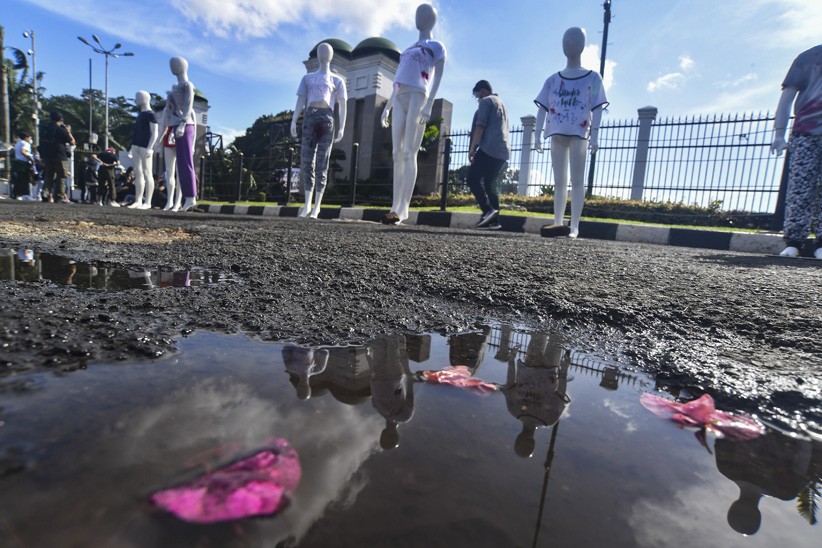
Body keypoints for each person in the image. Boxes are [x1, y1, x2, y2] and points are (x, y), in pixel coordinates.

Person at [534, 27, 608, 238]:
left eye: (574, 40)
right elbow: (542, 108)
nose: (570, 44)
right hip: (556, 133)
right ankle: (558, 222)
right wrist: (537, 134)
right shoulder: (552, 80)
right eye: (566, 40)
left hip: (579, 133)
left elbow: (597, 107)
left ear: (583, 45)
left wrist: (595, 135)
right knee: (559, 181)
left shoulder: (593, 78)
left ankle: (574, 225)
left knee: (577, 180)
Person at [379, 3, 446, 225]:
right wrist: (387, 107)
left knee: (409, 152)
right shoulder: (407, 50)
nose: (419, 18)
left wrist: (429, 104)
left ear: (432, 19)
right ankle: (394, 206)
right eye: (418, 14)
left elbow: (438, 76)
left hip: (418, 96)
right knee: (396, 153)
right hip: (400, 97)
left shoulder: (436, 46)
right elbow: (398, 80)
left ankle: (402, 209)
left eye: (424, 14)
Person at [770, 44, 822, 259]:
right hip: (805, 132)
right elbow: (787, 96)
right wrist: (779, 133)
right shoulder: (808, 57)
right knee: (799, 189)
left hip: (804, 131)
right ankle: (794, 241)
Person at [291, 42, 348, 219]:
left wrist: (342, 127)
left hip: (326, 119)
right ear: (317, 54)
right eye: (321, 50)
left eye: (326, 51)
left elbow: (343, 105)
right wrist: (294, 120)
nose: (324, 53)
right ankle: (307, 204)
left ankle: (317, 206)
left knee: (322, 162)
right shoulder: (307, 78)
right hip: (309, 117)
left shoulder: (337, 80)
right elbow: (301, 101)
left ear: (331, 55)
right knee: (307, 160)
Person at [499, 332, 571, 458]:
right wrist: (511, 360)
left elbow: (561, 393)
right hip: (536, 367)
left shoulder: (548, 419)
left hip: (544, 369)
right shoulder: (514, 410)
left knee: (550, 335)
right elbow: (510, 384)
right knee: (545, 335)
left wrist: (564, 370)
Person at [467, 80, 510, 230]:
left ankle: (488, 210)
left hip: (489, 148)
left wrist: (473, 147)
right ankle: (494, 221)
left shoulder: (486, 101)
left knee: (472, 178)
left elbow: (480, 126)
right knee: (490, 183)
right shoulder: (501, 103)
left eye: (478, 95)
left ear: (483, 91)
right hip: (502, 151)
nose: (478, 98)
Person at [157, 57, 198, 212]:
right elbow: (171, 111)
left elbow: (188, 105)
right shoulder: (175, 86)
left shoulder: (188, 85)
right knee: (180, 164)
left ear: (183, 66)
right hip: (175, 127)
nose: (172, 66)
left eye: (175, 64)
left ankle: (191, 197)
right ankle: (187, 198)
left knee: (186, 162)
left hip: (185, 126)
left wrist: (182, 124)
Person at [129, 90, 159, 209]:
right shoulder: (140, 115)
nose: (136, 99)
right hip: (136, 146)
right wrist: (131, 147)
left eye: (138, 97)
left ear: (145, 99)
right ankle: (138, 200)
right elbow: (137, 132)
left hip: (145, 147)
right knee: (138, 173)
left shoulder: (151, 114)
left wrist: (150, 148)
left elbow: (155, 133)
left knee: (147, 173)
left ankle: (148, 202)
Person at [39, 111, 75, 203]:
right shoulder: (61, 130)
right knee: (61, 176)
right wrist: (68, 132)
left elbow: (41, 142)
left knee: (48, 175)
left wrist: (42, 156)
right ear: (61, 119)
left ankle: (45, 194)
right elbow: (72, 142)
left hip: (47, 155)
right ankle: (59, 196)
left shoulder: (44, 129)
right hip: (59, 155)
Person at [11, 132, 35, 199]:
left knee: (18, 179)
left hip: (17, 162)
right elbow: (23, 151)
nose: (30, 139)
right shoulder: (26, 143)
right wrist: (31, 159)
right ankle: (24, 195)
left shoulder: (18, 143)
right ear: (26, 138)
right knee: (25, 179)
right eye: (30, 138)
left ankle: (16, 194)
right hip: (24, 163)